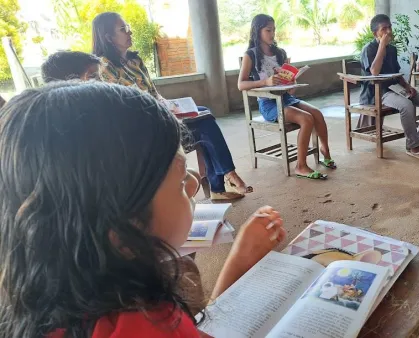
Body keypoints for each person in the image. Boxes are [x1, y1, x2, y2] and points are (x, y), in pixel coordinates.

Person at [0, 81, 286, 337]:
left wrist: (240, 261)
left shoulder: (35, 303)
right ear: (123, 227)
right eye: (179, 178)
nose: (193, 183)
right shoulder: (145, 323)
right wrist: (238, 263)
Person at [92, 12, 252, 200]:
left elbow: (153, 92)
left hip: (160, 112)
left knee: (203, 114)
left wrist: (166, 103)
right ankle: (224, 180)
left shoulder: (135, 60)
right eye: (123, 29)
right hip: (143, 126)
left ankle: (222, 182)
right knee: (205, 124)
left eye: (128, 27)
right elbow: (124, 105)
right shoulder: (104, 67)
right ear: (108, 37)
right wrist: (160, 109)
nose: (130, 32)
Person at [238, 14, 336, 180]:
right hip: (269, 104)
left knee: (317, 113)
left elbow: (288, 87)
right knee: (306, 119)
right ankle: (301, 165)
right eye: (268, 30)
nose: (272, 34)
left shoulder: (280, 53)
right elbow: (241, 85)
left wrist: (291, 82)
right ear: (257, 31)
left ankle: (325, 150)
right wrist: (266, 82)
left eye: (274, 30)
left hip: (286, 99)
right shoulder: (251, 55)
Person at [360, 14, 419, 161]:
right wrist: (382, 46)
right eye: (384, 29)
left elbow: (396, 72)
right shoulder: (369, 49)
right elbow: (374, 72)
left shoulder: (392, 49)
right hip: (378, 93)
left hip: (396, 88)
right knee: (406, 105)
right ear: (375, 33)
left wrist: (407, 86)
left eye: (390, 27)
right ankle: (413, 145)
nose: (389, 31)